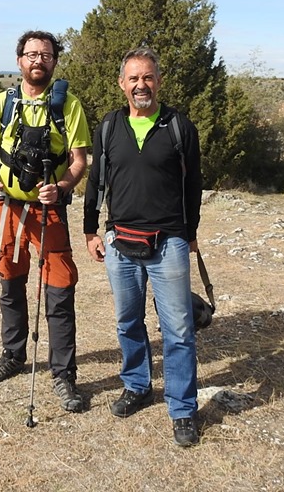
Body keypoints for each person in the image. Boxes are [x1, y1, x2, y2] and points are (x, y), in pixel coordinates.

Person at [83, 46, 203, 446]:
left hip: (168, 241)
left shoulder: (178, 126)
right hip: (120, 242)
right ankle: (137, 385)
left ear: (159, 81)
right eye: (133, 78)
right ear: (122, 84)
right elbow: (96, 181)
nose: (141, 85)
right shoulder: (108, 127)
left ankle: (183, 408)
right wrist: (90, 230)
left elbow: (193, 185)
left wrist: (191, 233)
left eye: (147, 77)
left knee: (179, 329)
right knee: (127, 322)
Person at [0, 30, 91, 412]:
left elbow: (79, 160)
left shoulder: (68, 105)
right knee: (10, 280)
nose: (38, 60)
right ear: (19, 60)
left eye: (45, 54)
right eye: (31, 54)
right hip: (7, 206)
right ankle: (13, 354)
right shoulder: (2, 103)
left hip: (49, 210)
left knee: (59, 289)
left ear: (55, 61)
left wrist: (61, 186)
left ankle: (63, 375)